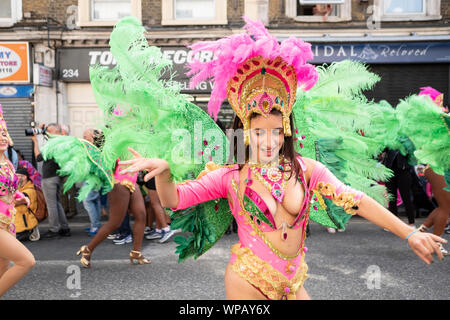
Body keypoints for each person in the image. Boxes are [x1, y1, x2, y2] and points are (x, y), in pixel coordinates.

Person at [118, 17, 447, 300]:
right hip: (248, 281)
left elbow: (356, 200)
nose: (268, 141)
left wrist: (409, 233)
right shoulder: (230, 176)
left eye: (276, 131)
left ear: (286, 129)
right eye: (259, 132)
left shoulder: (307, 171)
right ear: (246, 132)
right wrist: (164, 174)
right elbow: (176, 199)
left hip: (292, 281)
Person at [0, 104, 35, 297]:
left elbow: (9, 189)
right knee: (26, 261)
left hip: (8, 222)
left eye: (4, 133)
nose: (2, 137)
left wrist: (18, 196)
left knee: (3, 267)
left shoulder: (6, 161)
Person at [31, 123, 71, 239]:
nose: (47, 133)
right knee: (56, 203)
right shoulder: (62, 142)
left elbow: (38, 157)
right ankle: (65, 227)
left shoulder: (54, 143)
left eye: (49, 131)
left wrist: (35, 141)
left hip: (49, 177)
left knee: (51, 205)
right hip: (57, 176)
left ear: (56, 131)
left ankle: (54, 229)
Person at [383, 148, 416, 227]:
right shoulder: (389, 139)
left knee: (406, 198)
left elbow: (412, 154)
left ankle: (411, 223)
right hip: (390, 172)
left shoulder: (406, 141)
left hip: (404, 172)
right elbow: (382, 149)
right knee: (392, 199)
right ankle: (393, 224)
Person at [142, 176, 178, 243]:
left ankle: (166, 229)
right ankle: (159, 230)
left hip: (154, 175)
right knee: (159, 203)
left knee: (155, 203)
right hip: (160, 176)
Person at [81, 129, 102, 236]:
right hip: (91, 177)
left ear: (93, 136)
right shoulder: (91, 147)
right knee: (94, 200)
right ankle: (96, 224)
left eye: (85, 136)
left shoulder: (96, 148)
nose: (84, 138)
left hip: (93, 177)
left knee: (87, 201)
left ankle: (95, 226)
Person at [14, 166, 40, 242]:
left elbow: (16, 202)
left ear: (24, 177)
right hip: (19, 223)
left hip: (25, 224)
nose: (15, 178)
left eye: (17, 176)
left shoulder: (29, 190)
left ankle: (27, 232)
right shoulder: (20, 188)